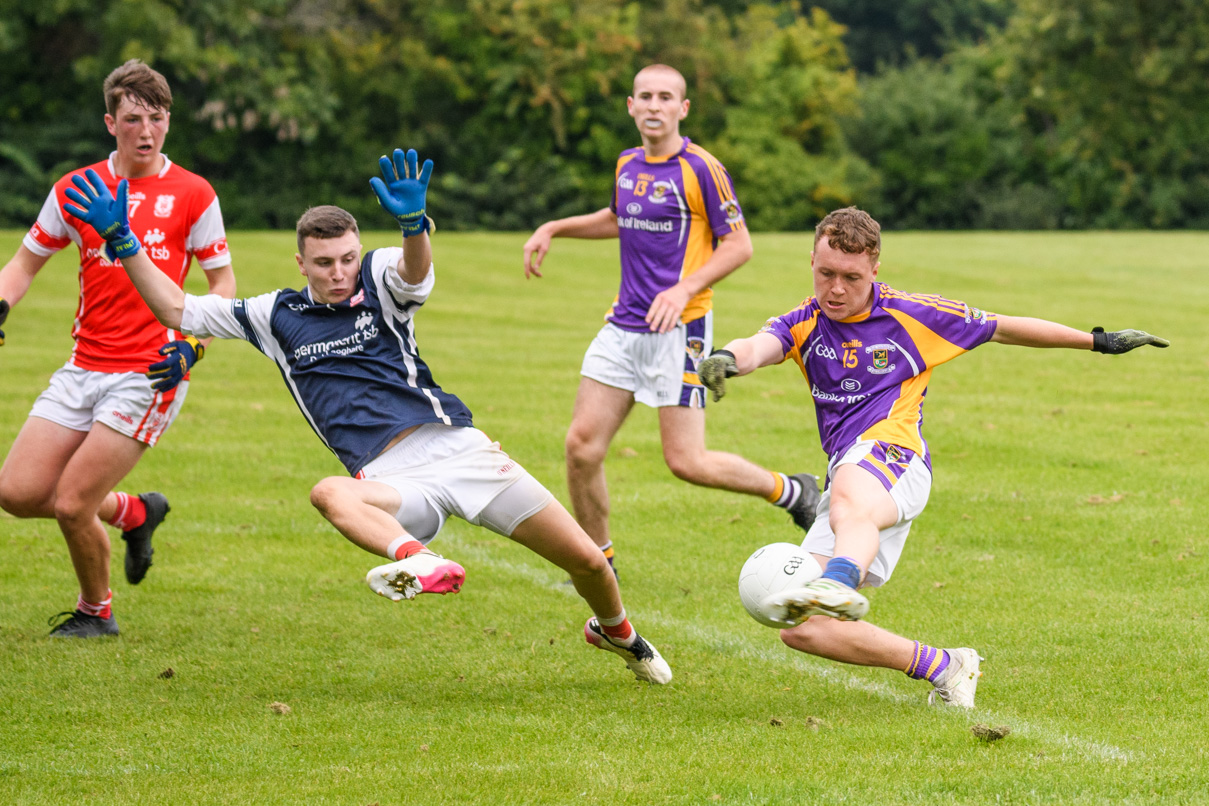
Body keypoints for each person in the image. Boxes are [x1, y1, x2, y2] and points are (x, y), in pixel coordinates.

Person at [64, 147, 672, 684]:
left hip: (460, 449)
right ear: (301, 262)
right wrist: (125, 243)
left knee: (588, 561)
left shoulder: (380, 278)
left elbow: (414, 270)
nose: (337, 272)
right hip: (390, 477)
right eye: (324, 262)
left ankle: (616, 632)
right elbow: (176, 307)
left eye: (345, 259)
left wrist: (413, 224)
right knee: (329, 492)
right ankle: (419, 560)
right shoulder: (271, 314)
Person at [698, 206, 1168, 707]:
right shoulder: (805, 321)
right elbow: (758, 345)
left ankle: (837, 581)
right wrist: (728, 359)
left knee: (849, 502)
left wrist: (1097, 341)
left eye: (851, 278)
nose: (836, 288)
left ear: (874, 270)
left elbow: (1005, 327)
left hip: (894, 456)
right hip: (851, 473)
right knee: (803, 629)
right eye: (826, 273)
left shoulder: (913, 314)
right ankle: (947, 665)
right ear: (811, 260)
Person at [522, 64, 820, 576]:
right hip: (624, 327)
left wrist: (683, 289)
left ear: (682, 109)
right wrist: (555, 227)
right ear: (631, 106)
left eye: (665, 97)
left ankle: (793, 491)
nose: (654, 105)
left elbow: (740, 245)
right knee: (581, 447)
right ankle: (601, 561)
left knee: (687, 462)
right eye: (645, 96)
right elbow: (618, 218)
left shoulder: (702, 167)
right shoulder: (627, 164)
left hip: (681, 330)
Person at [0, 59, 236, 638]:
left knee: (72, 502)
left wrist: (191, 348)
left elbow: (222, 288)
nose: (147, 130)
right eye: (134, 118)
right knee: (16, 492)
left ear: (168, 121)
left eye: (157, 118)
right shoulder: (76, 189)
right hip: (84, 365)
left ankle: (94, 611)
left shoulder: (193, 194)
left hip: (151, 371)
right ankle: (135, 511)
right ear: (111, 122)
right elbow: (25, 264)